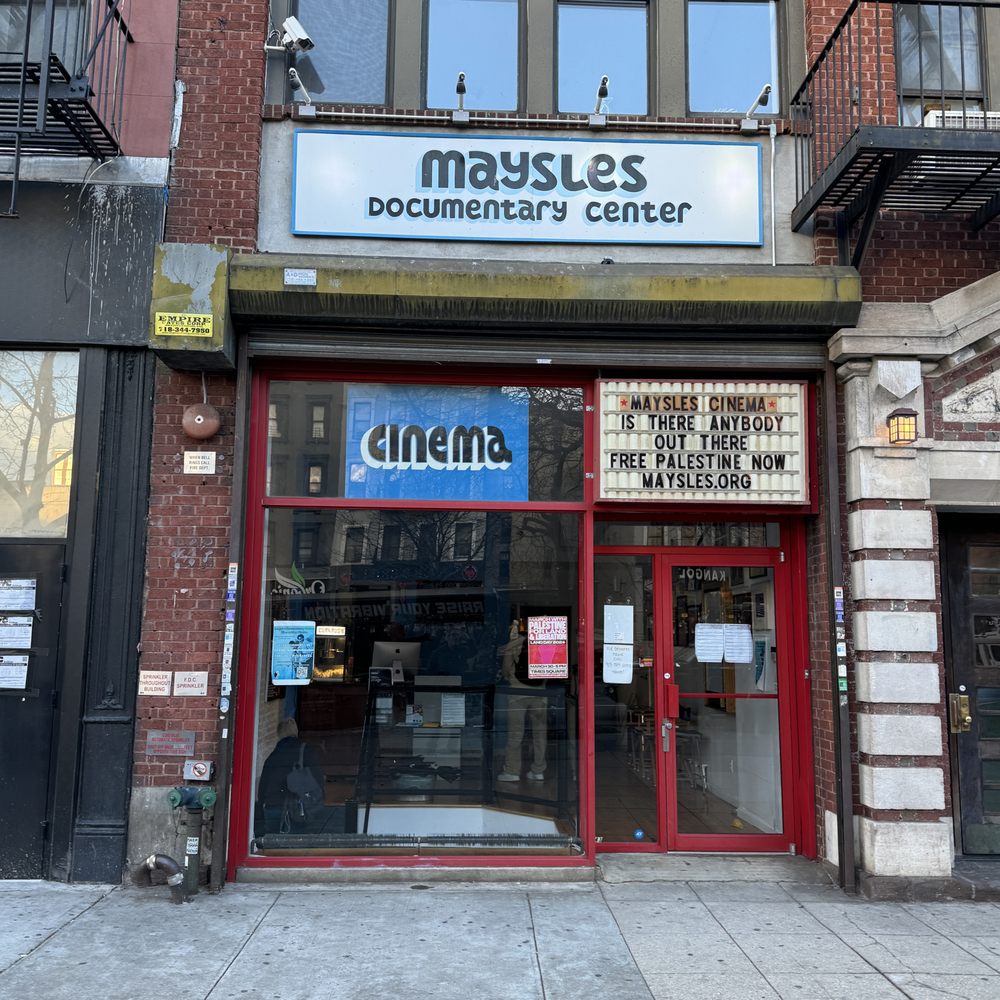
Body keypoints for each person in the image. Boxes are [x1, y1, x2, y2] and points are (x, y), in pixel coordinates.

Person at [254, 717, 326, 836]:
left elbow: (264, 785)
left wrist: (262, 806)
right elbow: (317, 779)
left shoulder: (273, 756)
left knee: (273, 843)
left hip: (273, 806)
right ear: (296, 731)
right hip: (299, 807)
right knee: (296, 842)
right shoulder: (306, 751)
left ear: (279, 734)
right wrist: (320, 798)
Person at [497, 622, 548, 783]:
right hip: (540, 693)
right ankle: (538, 770)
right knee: (540, 734)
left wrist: (510, 678)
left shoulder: (513, 644)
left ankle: (512, 771)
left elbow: (506, 669)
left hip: (517, 694)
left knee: (515, 733)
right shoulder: (543, 643)